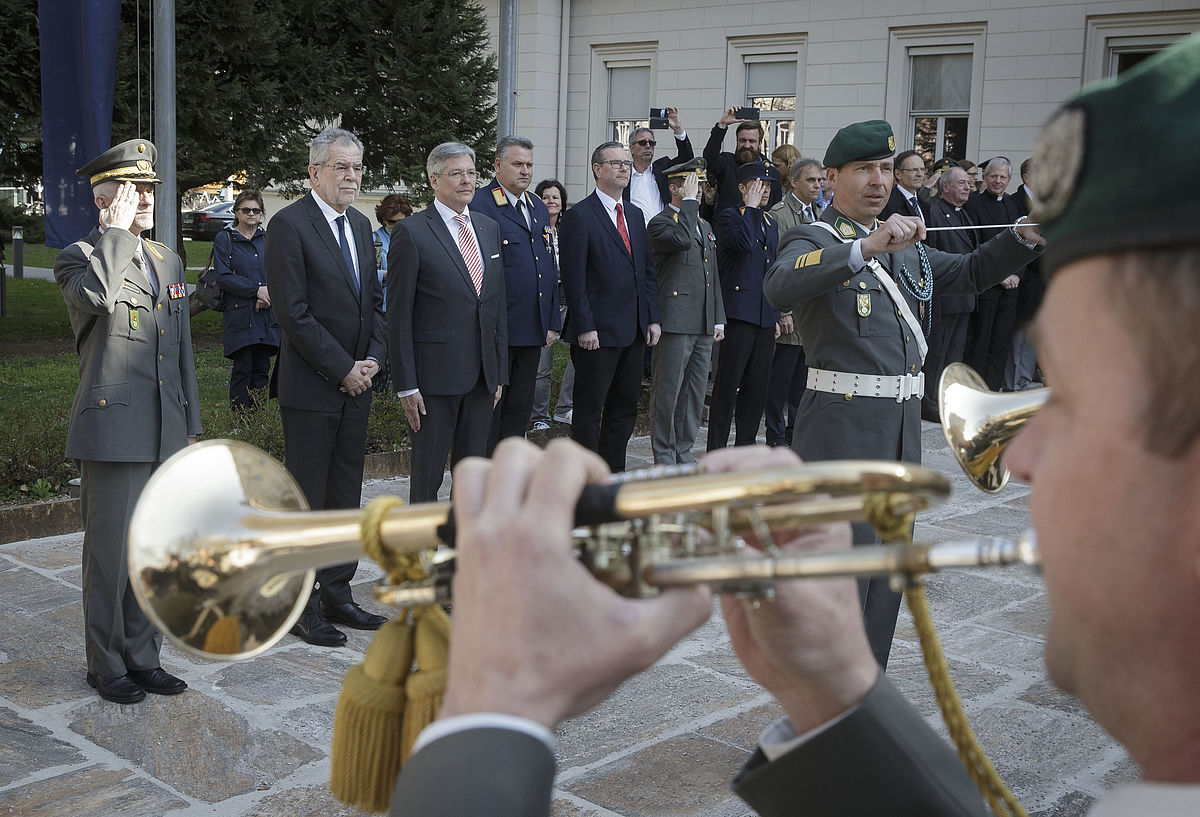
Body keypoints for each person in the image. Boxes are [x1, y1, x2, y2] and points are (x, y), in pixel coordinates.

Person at [762, 120, 1041, 668]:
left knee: (888, 573)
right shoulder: (815, 238)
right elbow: (780, 286)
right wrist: (864, 246)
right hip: (840, 430)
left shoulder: (908, 248)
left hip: (898, 432)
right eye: (864, 169)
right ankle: (828, 704)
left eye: (886, 169)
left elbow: (968, 271)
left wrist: (1022, 237)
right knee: (844, 575)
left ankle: (869, 696)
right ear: (833, 177)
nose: (878, 181)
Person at [55, 139, 200, 703]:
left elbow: (182, 347)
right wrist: (115, 236)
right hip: (112, 429)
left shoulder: (168, 260)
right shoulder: (81, 256)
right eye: (134, 190)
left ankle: (143, 656)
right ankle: (105, 663)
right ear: (103, 199)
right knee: (111, 556)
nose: (146, 199)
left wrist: (191, 424)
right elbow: (96, 298)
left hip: (164, 426)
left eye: (150, 190)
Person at [264, 128, 389, 647]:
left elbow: (375, 303)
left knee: (344, 496)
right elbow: (293, 314)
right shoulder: (289, 225)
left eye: (357, 168)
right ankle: (301, 603)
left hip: (357, 385)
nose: (352, 177)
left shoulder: (361, 225)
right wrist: (342, 368)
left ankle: (337, 592)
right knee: (308, 500)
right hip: (314, 388)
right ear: (314, 172)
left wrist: (374, 360)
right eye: (341, 167)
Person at [388, 142, 507, 503]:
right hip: (433, 381)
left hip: (482, 378)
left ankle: (461, 549)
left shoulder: (488, 227)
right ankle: (421, 549)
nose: (467, 181)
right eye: (456, 173)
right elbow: (398, 315)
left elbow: (496, 306)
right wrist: (406, 385)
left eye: (471, 173)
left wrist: (499, 372)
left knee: (472, 476)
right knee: (427, 477)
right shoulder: (412, 232)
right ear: (433, 180)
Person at [558, 141, 661, 473]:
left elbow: (645, 270)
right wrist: (585, 325)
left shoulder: (634, 213)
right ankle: (586, 480)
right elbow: (574, 278)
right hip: (597, 334)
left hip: (632, 330)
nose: (623, 169)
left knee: (624, 409)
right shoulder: (579, 216)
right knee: (589, 412)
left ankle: (612, 476)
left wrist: (651, 318)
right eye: (615, 163)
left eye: (626, 164)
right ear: (596, 168)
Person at [470, 136, 560, 447]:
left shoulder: (536, 205)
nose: (525, 171)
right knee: (491, 411)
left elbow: (546, 265)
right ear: (498, 165)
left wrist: (550, 320)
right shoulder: (480, 204)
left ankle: (511, 472)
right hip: (498, 328)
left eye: (529, 165)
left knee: (519, 409)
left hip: (531, 326)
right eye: (518, 164)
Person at [646, 158, 724, 465]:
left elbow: (712, 274)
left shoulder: (702, 224)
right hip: (675, 321)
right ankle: (664, 454)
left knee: (693, 393)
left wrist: (718, 317)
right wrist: (689, 202)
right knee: (668, 392)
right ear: (675, 187)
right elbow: (680, 240)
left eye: (702, 185)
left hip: (702, 320)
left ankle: (683, 450)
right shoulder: (661, 222)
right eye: (694, 184)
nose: (701, 190)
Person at [707, 163, 780, 451]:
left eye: (768, 185)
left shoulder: (770, 223)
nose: (764, 190)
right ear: (742, 188)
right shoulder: (730, 217)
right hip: (737, 315)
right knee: (727, 389)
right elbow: (743, 244)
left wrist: (774, 313)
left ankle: (746, 450)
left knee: (756, 391)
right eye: (757, 184)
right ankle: (716, 450)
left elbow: (769, 269)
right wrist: (748, 209)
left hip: (763, 315)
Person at [765, 156, 822, 448]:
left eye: (820, 180)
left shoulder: (821, 212)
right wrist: (783, 311)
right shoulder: (779, 214)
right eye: (811, 180)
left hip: (813, 313)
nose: (817, 185)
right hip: (791, 311)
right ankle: (775, 436)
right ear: (795, 180)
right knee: (780, 382)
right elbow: (776, 266)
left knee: (804, 381)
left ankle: (795, 434)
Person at [212, 189, 280, 413]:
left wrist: (267, 293)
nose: (251, 214)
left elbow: (279, 271)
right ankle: (239, 421)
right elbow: (224, 277)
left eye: (256, 210)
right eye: (246, 209)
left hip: (266, 314)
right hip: (241, 314)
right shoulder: (226, 238)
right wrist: (256, 291)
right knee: (243, 369)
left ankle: (258, 421)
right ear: (236, 212)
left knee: (262, 369)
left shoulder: (268, 238)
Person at [921, 166, 978, 421]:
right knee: (938, 354)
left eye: (969, 183)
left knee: (954, 354)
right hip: (944, 297)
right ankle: (931, 403)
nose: (968, 187)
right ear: (946, 187)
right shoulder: (935, 212)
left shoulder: (964, 214)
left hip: (963, 297)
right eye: (962, 183)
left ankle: (947, 400)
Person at [964, 157, 1026, 391]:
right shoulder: (973, 205)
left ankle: (993, 388)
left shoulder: (1013, 206)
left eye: (1003, 177)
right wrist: (998, 275)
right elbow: (975, 244)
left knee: (1001, 341)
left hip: (1011, 286)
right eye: (994, 176)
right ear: (985, 177)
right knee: (981, 341)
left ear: (1009, 180)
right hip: (987, 284)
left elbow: (1023, 243)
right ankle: (977, 388)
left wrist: (1017, 274)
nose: (998, 181)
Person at [529, 179, 575, 429]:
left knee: (578, 357)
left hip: (568, 297)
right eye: (546, 197)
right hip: (544, 300)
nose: (551, 201)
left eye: (555, 197)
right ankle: (539, 417)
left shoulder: (570, 228)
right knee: (542, 366)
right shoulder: (532, 229)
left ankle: (564, 408)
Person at [370, 193, 412, 394]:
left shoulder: (412, 237)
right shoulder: (375, 239)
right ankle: (381, 408)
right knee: (382, 361)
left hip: (407, 309)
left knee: (401, 363)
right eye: (391, 222)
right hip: (383, 310)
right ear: (383, 220)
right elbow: (363, 273)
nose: (395, 225)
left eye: (400, 221)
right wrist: (386, 275)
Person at [703, 109, 783, 213]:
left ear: (760, 143)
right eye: (743, 140)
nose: (747, 145)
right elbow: (709, 157)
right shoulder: (727, 163)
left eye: (752, 141)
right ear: (737, 140)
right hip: (727, 226)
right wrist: (722, 125)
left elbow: (775, 209)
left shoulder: (771, 172)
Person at [623, 108, 694, 224]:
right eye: (642, 142)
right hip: (635, 235)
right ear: (631, 148)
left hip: (662, 233)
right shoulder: (624, 174)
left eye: (651, 143)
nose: (647, 146)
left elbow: (687, 159)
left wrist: (678, 129)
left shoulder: (662, 169)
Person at [880, 149, 929, 222]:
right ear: (898, 174)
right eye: (914, 170)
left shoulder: (925, 205)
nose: (919, 174)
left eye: (922, 170)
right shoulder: (887, 203)